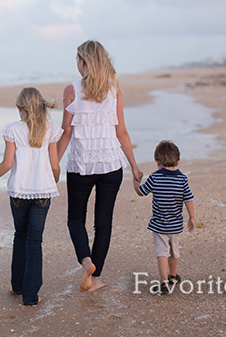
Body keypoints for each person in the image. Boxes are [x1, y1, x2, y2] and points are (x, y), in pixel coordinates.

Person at [57, 40, 144, 292]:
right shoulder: (114, 90)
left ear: (84, 62)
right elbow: (123, 133)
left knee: (75, 218)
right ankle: (94, 278)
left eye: (78, 59)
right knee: (103, 223)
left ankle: (86, 262)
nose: (76, 64)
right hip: (111, 165)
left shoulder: (72, 90)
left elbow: (65, 133)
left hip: (82, 166)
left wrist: (53, 163)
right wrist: (135, 169)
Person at [0, 87, 62, 306]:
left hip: (18, 192)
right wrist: (50, 181)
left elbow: (7, 164)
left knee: (20, 235)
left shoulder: (13, 129)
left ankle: (17, 285)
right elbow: (55, 166)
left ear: (20, 108)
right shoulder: (50, 130)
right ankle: (30, 296)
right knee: (35, 241)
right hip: (42, 193)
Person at [135, 140, 196, 295]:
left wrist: (136, 181)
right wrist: (192, 217)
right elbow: (188, 199)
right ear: (177, 161)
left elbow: (141, 192)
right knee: (174, 251)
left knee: (162, 252)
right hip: (176, 225)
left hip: (159, 225)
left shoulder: (155, 178)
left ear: (157, 162)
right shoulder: (182, 179)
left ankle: (163, 282)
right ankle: (173, 277)